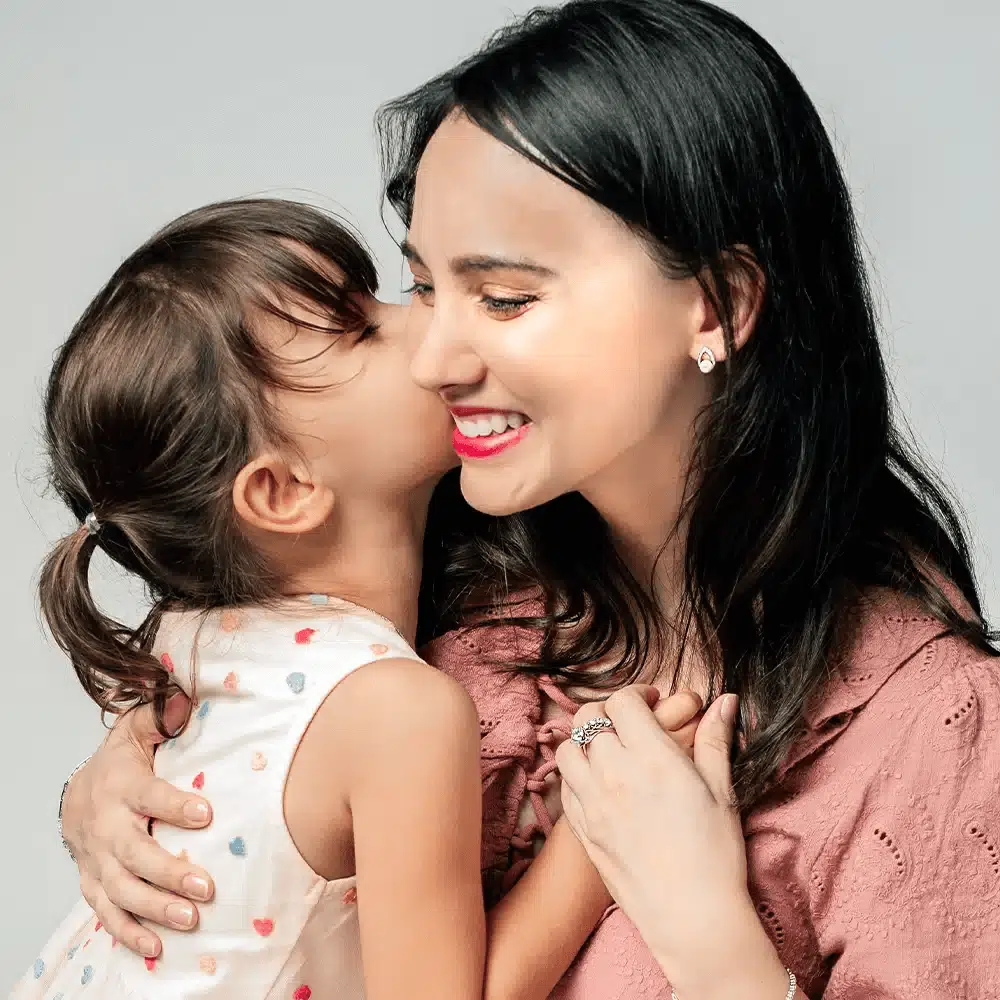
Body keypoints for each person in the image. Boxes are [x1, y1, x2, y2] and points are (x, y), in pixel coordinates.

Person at [57, 1, 1000, 997]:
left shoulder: (928, 738)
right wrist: (110, 784)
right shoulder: (438, 575)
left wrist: (711, 939)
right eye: (422, 286)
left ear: (715, 304)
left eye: (503, 297)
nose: (431, 354)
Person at [10, 196, 703, 1000]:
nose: (429, 327)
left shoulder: (194, 633)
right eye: (364, 330)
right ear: (282, 491)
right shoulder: (395, 711)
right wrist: (600, 826)